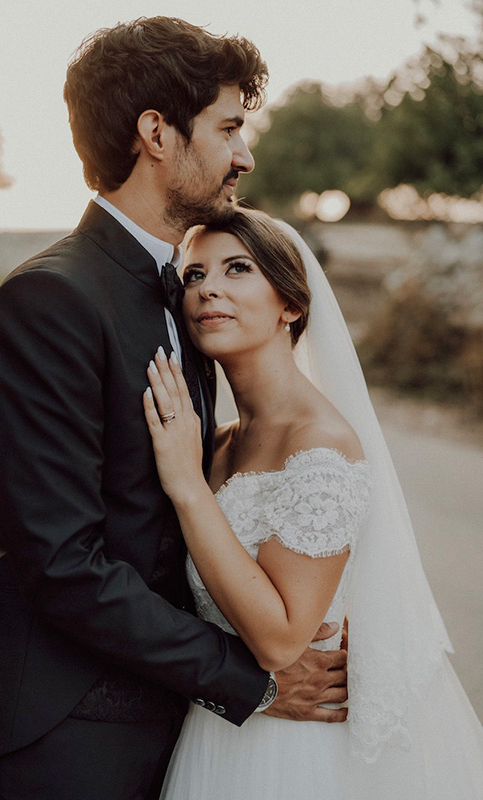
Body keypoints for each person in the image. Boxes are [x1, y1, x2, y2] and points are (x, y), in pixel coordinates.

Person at [0, 18, 349, 800]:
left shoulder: (186, 296)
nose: (246, 154)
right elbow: (62, 563)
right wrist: (254, 679)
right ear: (157, 132)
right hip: (70, 727)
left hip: (173, 717)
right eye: (229, 127)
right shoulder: (50, 300)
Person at [142, 207, 483, 799]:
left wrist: (187, 487)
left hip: (297, 751)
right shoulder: (214, 441)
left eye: (237, 269)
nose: (208, 289)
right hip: (224, 726)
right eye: (193, 276)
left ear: (291, 305)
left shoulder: (321, 444)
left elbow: (279, 641)